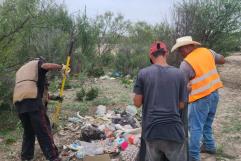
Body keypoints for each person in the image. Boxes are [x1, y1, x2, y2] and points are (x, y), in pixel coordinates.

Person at [171, 36, 225, 161]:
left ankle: (194, 157)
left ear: (189, 47)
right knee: (207, 123)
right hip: (214, 94)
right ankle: (210, 146)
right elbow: (222, 60)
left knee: (195, 128)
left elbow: (183, 88)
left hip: (200, 98)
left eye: (181, 49)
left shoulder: (186, 64)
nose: (180, 53)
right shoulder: (207, 52)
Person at [133, 41, 188, 161]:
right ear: (166, 53)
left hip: (152, 131)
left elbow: (137, 103)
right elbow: (182, 105)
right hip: (174, 131)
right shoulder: (179, 74)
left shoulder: (143, 73)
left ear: (151, 56)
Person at [13, 57, 70, 161]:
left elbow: (38, 91)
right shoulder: (38, 63)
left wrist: (55, 97)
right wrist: (61, 67)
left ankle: (26, 158)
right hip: (33, 102)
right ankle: (53, 157)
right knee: (43, 130)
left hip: (19, 102)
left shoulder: (22, 70)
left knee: (28, 132)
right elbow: (45, 66)